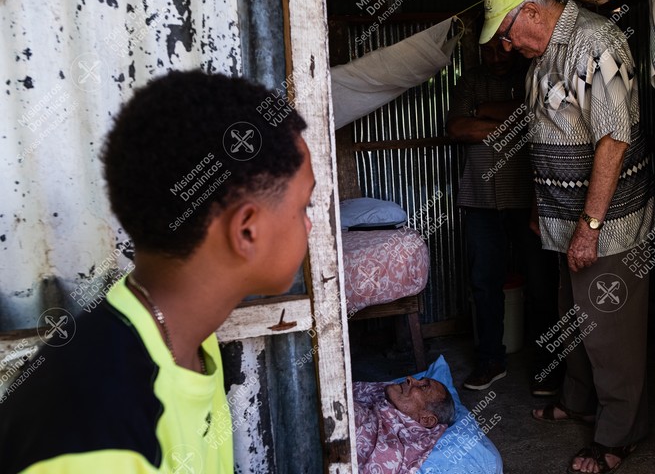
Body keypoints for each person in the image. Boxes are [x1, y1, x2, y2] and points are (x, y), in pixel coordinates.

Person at [0, 71, 315, 473]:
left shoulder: (185, 337)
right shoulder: (96, 446)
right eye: (303, 206)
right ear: (247, 230)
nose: (309, 224)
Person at [480, 0, 655, 472]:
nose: (509, 46)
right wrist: (543, 206)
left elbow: (614, 138)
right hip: (563, 218)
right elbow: (547, 132)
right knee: (573, 320)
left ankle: (620, 434)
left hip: (606, 223)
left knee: (609, 332)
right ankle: (578, 402)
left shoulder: (595, 41)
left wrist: (590, 226)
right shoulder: (544, 55)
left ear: (532, 11)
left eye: (509, 33)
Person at [447, 37, 560, 395]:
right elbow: (457, 129)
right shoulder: (469, 81)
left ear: (513, 43)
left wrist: (483, 111)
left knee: (541, 285)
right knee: (484, 283)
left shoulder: (534, 72)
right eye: (488, 50)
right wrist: (515, 123)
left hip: (528, 198)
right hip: (480, 199)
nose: (495, 57)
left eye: (501, 48)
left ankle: (548, 367)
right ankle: (490, 361)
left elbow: (540, 117)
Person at [353, 376, 456, 473]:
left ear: (426, 420)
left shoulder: (388, 453)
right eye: (419, 379)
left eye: (424, 387)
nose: (409, 378)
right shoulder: (380, 396)